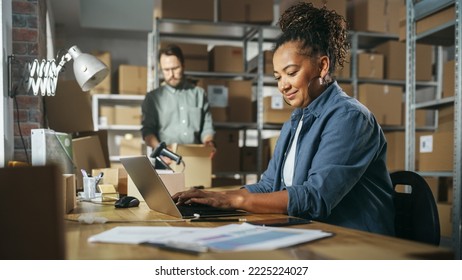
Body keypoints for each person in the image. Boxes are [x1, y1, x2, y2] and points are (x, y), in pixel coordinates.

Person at [173, 2, 395, 235]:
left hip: (356, 242)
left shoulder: (350, 118)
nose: (283, 85)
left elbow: (315, 198)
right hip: (311, 232)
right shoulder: (296, 120)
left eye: (291, 73)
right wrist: (217, 197)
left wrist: (236, 201)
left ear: (322, 66)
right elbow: (269, 185)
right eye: (278, 77)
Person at [141, 44, 216, 158]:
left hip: (195, 157)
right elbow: (147, 131)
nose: (171, 74)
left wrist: (208, 142)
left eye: (175, 68)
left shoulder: (199, 94)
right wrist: (161, 151)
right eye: (166, 70)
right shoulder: (153, 98)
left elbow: (207, 127)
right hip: (165, 159)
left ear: (183, 66)